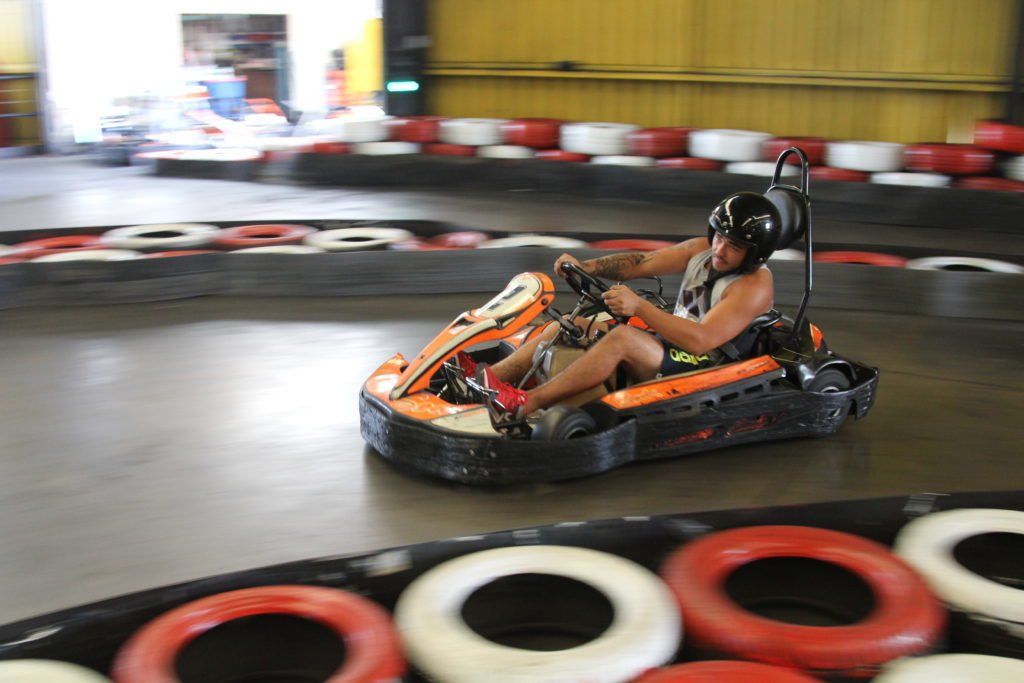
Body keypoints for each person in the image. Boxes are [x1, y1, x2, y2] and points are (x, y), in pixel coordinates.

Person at [460, 192, 782, 425]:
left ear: (755, 254)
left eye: (733, 246)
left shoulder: (753, 286)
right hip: (672, 342)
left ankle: (525, 404)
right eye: (719, 237)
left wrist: (639, 306)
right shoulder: (703, 250)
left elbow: (701, 340)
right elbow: (642, 262)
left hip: (706, 363)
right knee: (569, 325)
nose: (720, 250)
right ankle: (482, 381)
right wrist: (586, 266)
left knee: (622, 339)